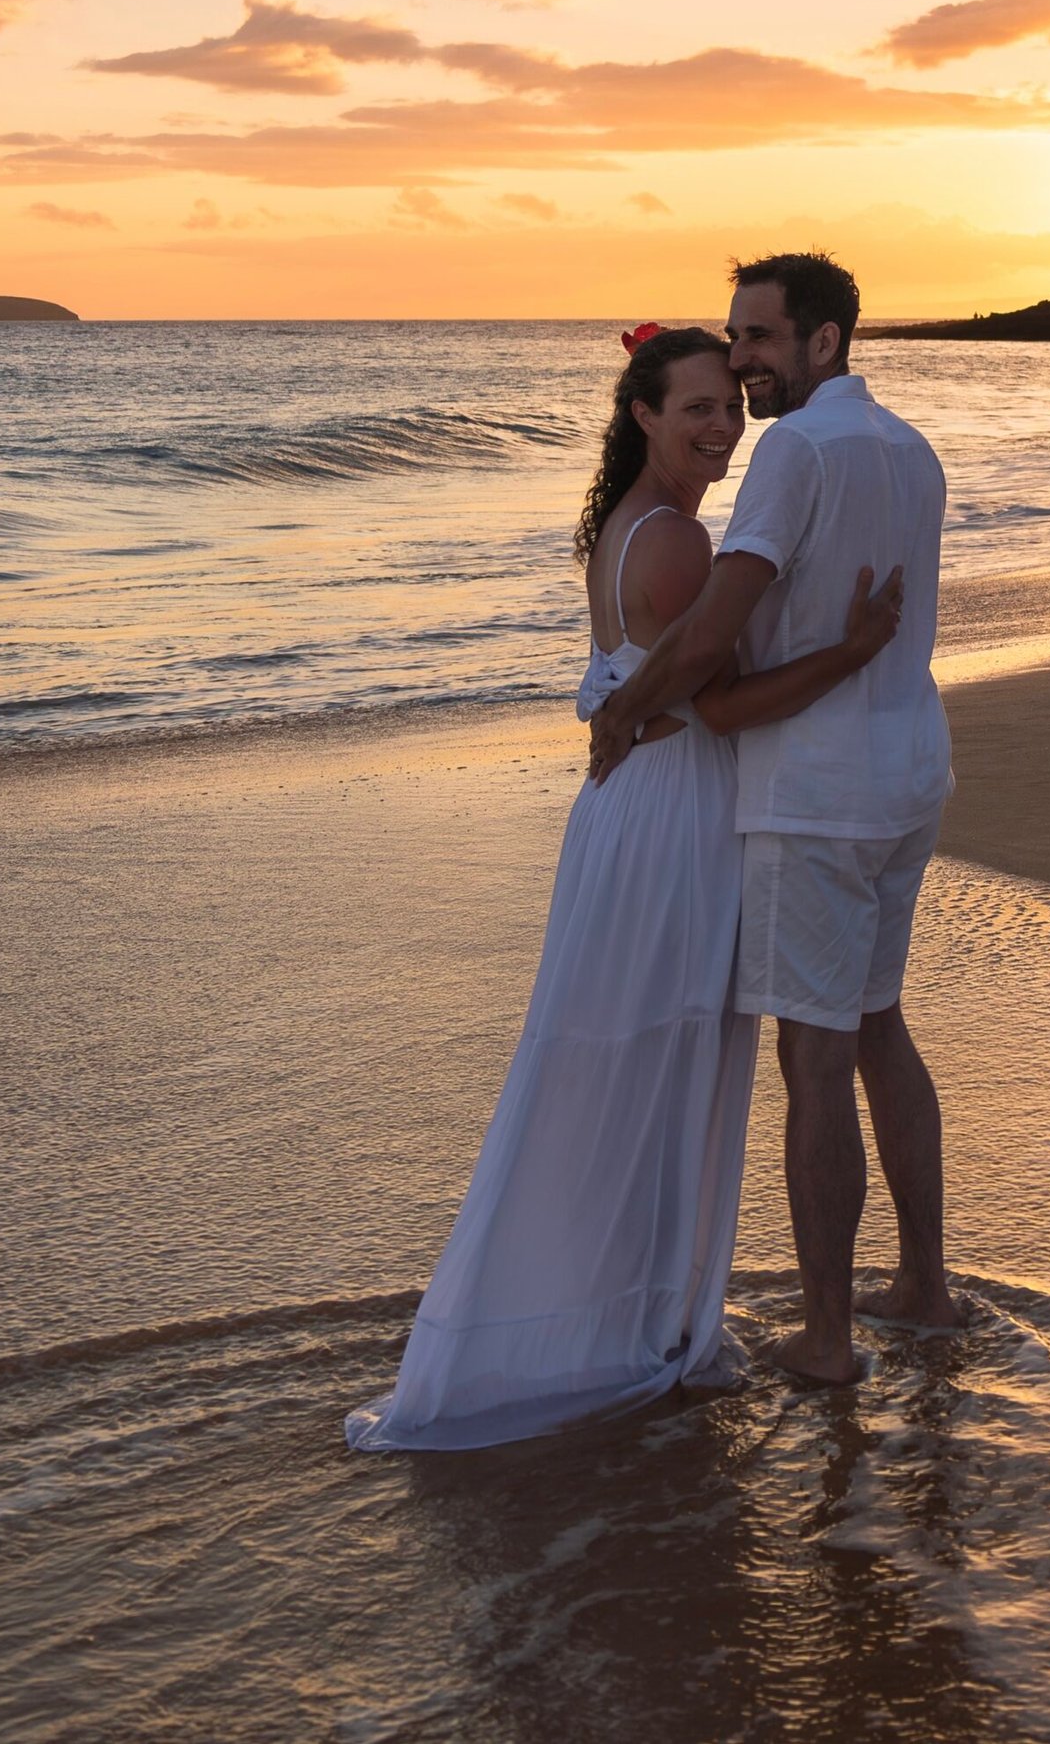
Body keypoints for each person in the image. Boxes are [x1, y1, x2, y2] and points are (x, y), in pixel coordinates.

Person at [346, 325, 903, 1451]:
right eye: (692, 406)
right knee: (666, 1056)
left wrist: (630, 708)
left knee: (626, 1056)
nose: (719, 425)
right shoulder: (678, 550)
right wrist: (852, 653)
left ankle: (615, 1314)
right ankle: (631, 1328)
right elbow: (733, 707)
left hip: (629, 812)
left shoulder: (628, 528)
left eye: (728, 406)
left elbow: (667, 688)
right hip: (671, 821)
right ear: (640, 415)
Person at [589, 253, 960, 1388]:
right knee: (879, 1025)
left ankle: (831, 1338)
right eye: (735, 340)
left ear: (823, 343)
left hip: (815, 790)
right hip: (908, 769)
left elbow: (706, 637)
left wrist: (622, 711)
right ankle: (923, 1287)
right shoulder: (909, 446)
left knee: (815, 1056)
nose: (741, 359)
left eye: (756, 338)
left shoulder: (796, 450)